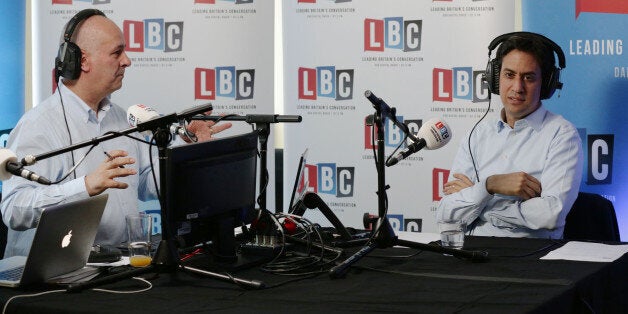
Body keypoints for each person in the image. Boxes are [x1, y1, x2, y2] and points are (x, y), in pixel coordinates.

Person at [0, 9, 231, 257]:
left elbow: (148, 182)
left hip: (118, 267)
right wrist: (85, 187)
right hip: (53, 280)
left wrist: (192, 152)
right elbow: (14, 209)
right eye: (116, 52)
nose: (127, 61)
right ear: (82, 61)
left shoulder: (120, 117)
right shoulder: (39, 124)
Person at [436, 32, 583, 238]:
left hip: (529, 259)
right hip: (470, 254)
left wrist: (479, 204)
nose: (517, 88)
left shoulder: (562, 135)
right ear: (495, 77)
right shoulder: (477, 134)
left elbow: (551, 215)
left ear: (547, 83)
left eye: (529, 77)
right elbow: (446, 214)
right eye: (509, 75)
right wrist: (490, 185)